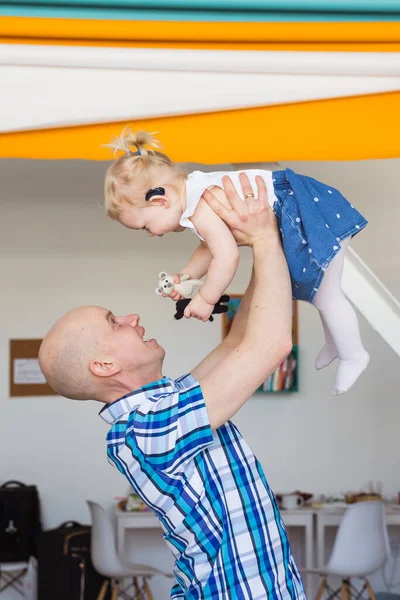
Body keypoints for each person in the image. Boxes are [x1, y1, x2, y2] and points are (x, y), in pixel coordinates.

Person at [39, 175, 305, 600]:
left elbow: (239, 339)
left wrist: (256, 245)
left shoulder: (169, 403)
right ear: (104, 365)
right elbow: (272, 345)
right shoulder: (148, 432)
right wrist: (265, 238)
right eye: (113, 322)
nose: (130, 317)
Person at [104, 129, 370, 396]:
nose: (152, 234)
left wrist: (207, 298)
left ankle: (354, 354)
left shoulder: (201, 205)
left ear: (159, 201)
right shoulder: (194, 194)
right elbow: (207, 248)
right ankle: (338, 342)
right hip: (302, 206)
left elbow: (226, 255)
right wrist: (185, 276)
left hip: (307, 210)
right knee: (318, 294)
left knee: (327, 295)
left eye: (145, 227)